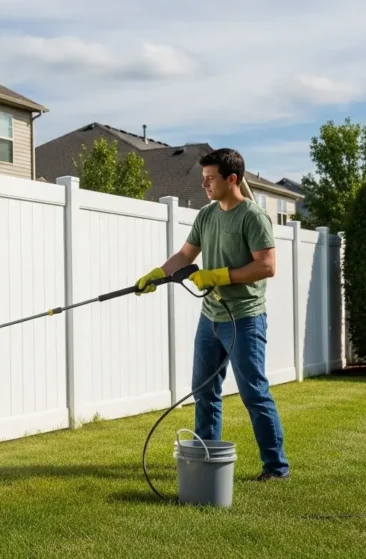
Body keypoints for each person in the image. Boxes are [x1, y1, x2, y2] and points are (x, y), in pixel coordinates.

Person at [135, 148, 290, 481]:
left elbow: (267, 266)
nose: (204, 184)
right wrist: (156, 275)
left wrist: (219, 275)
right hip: (211, 318)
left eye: (210, 178)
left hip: (245, 318)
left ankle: (276, 468)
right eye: (203, 178)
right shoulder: (206, 215)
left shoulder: (253, 216)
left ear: (231, 179)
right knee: (204, 390)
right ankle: (206, 458)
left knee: (254, 392)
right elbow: (185, 254)